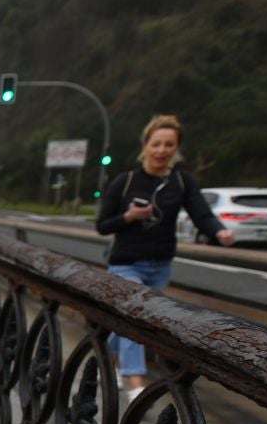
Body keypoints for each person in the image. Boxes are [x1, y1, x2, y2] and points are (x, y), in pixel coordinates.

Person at [96, 114, 234, 397]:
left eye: (168, 144)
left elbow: (201, 214)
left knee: (125, 320)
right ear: (145, 145)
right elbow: (103, 225)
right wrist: (130, 216)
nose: (161, 150)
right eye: (156, 144)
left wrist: (219, 233)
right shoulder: (126, 180)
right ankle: (133, 379)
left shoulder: (182, 182)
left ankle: (100, 359)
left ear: (177, 148)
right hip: (125, 263)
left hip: (160, 265)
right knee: (137, 316)